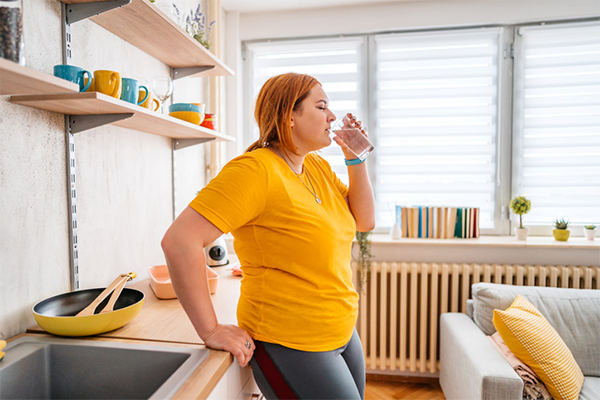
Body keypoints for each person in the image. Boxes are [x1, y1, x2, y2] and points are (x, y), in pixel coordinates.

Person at [161, 72, 375, 400]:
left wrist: (355, 157)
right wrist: (211, 329)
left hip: (342, 330)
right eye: (321, 106)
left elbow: (364, 220)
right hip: (291, 341)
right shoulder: (255, 170)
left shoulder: (316, 167)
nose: (332, 116)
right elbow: (179, 241)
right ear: (289, 115)